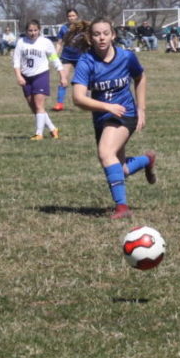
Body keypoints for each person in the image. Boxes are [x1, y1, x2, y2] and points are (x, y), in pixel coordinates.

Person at [71, 18, 157, 220]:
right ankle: (147, 160)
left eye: (105, 33)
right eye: (96, 34)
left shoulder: (127, 57)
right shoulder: (86, 62)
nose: (101, 37)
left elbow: (140, 77)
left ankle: (122, 207)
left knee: (105, 153)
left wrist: (141, 108)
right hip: (103, 116)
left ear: (113, 35)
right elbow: (78, 98)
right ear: (90, 38)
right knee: (120, 168)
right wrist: (106, 106)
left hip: (125, 114)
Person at [13, 20, 64, 140]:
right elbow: (16, 61)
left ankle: (39, 133)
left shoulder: (45, 42)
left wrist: (61, 74)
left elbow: (54, 58)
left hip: (41, 74)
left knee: (39, 104)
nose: (33, 33)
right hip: (26, 76)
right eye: (30, 30)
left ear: (39, 30)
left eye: (35, 30)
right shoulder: (21, 42)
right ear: (26, 31)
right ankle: (52, 129)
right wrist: (19, 76)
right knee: (34, 107)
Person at [54, 9, 85, 111]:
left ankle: (87, 101)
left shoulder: (82, 28)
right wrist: (53, 57)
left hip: (80, 57)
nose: (71, 18)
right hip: (66, 57)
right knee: (63, 79)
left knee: (83, 80)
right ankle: (59, 104)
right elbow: (59, 43)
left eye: (73, 15)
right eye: (69, 16)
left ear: (77, 16)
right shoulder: (63, 28)